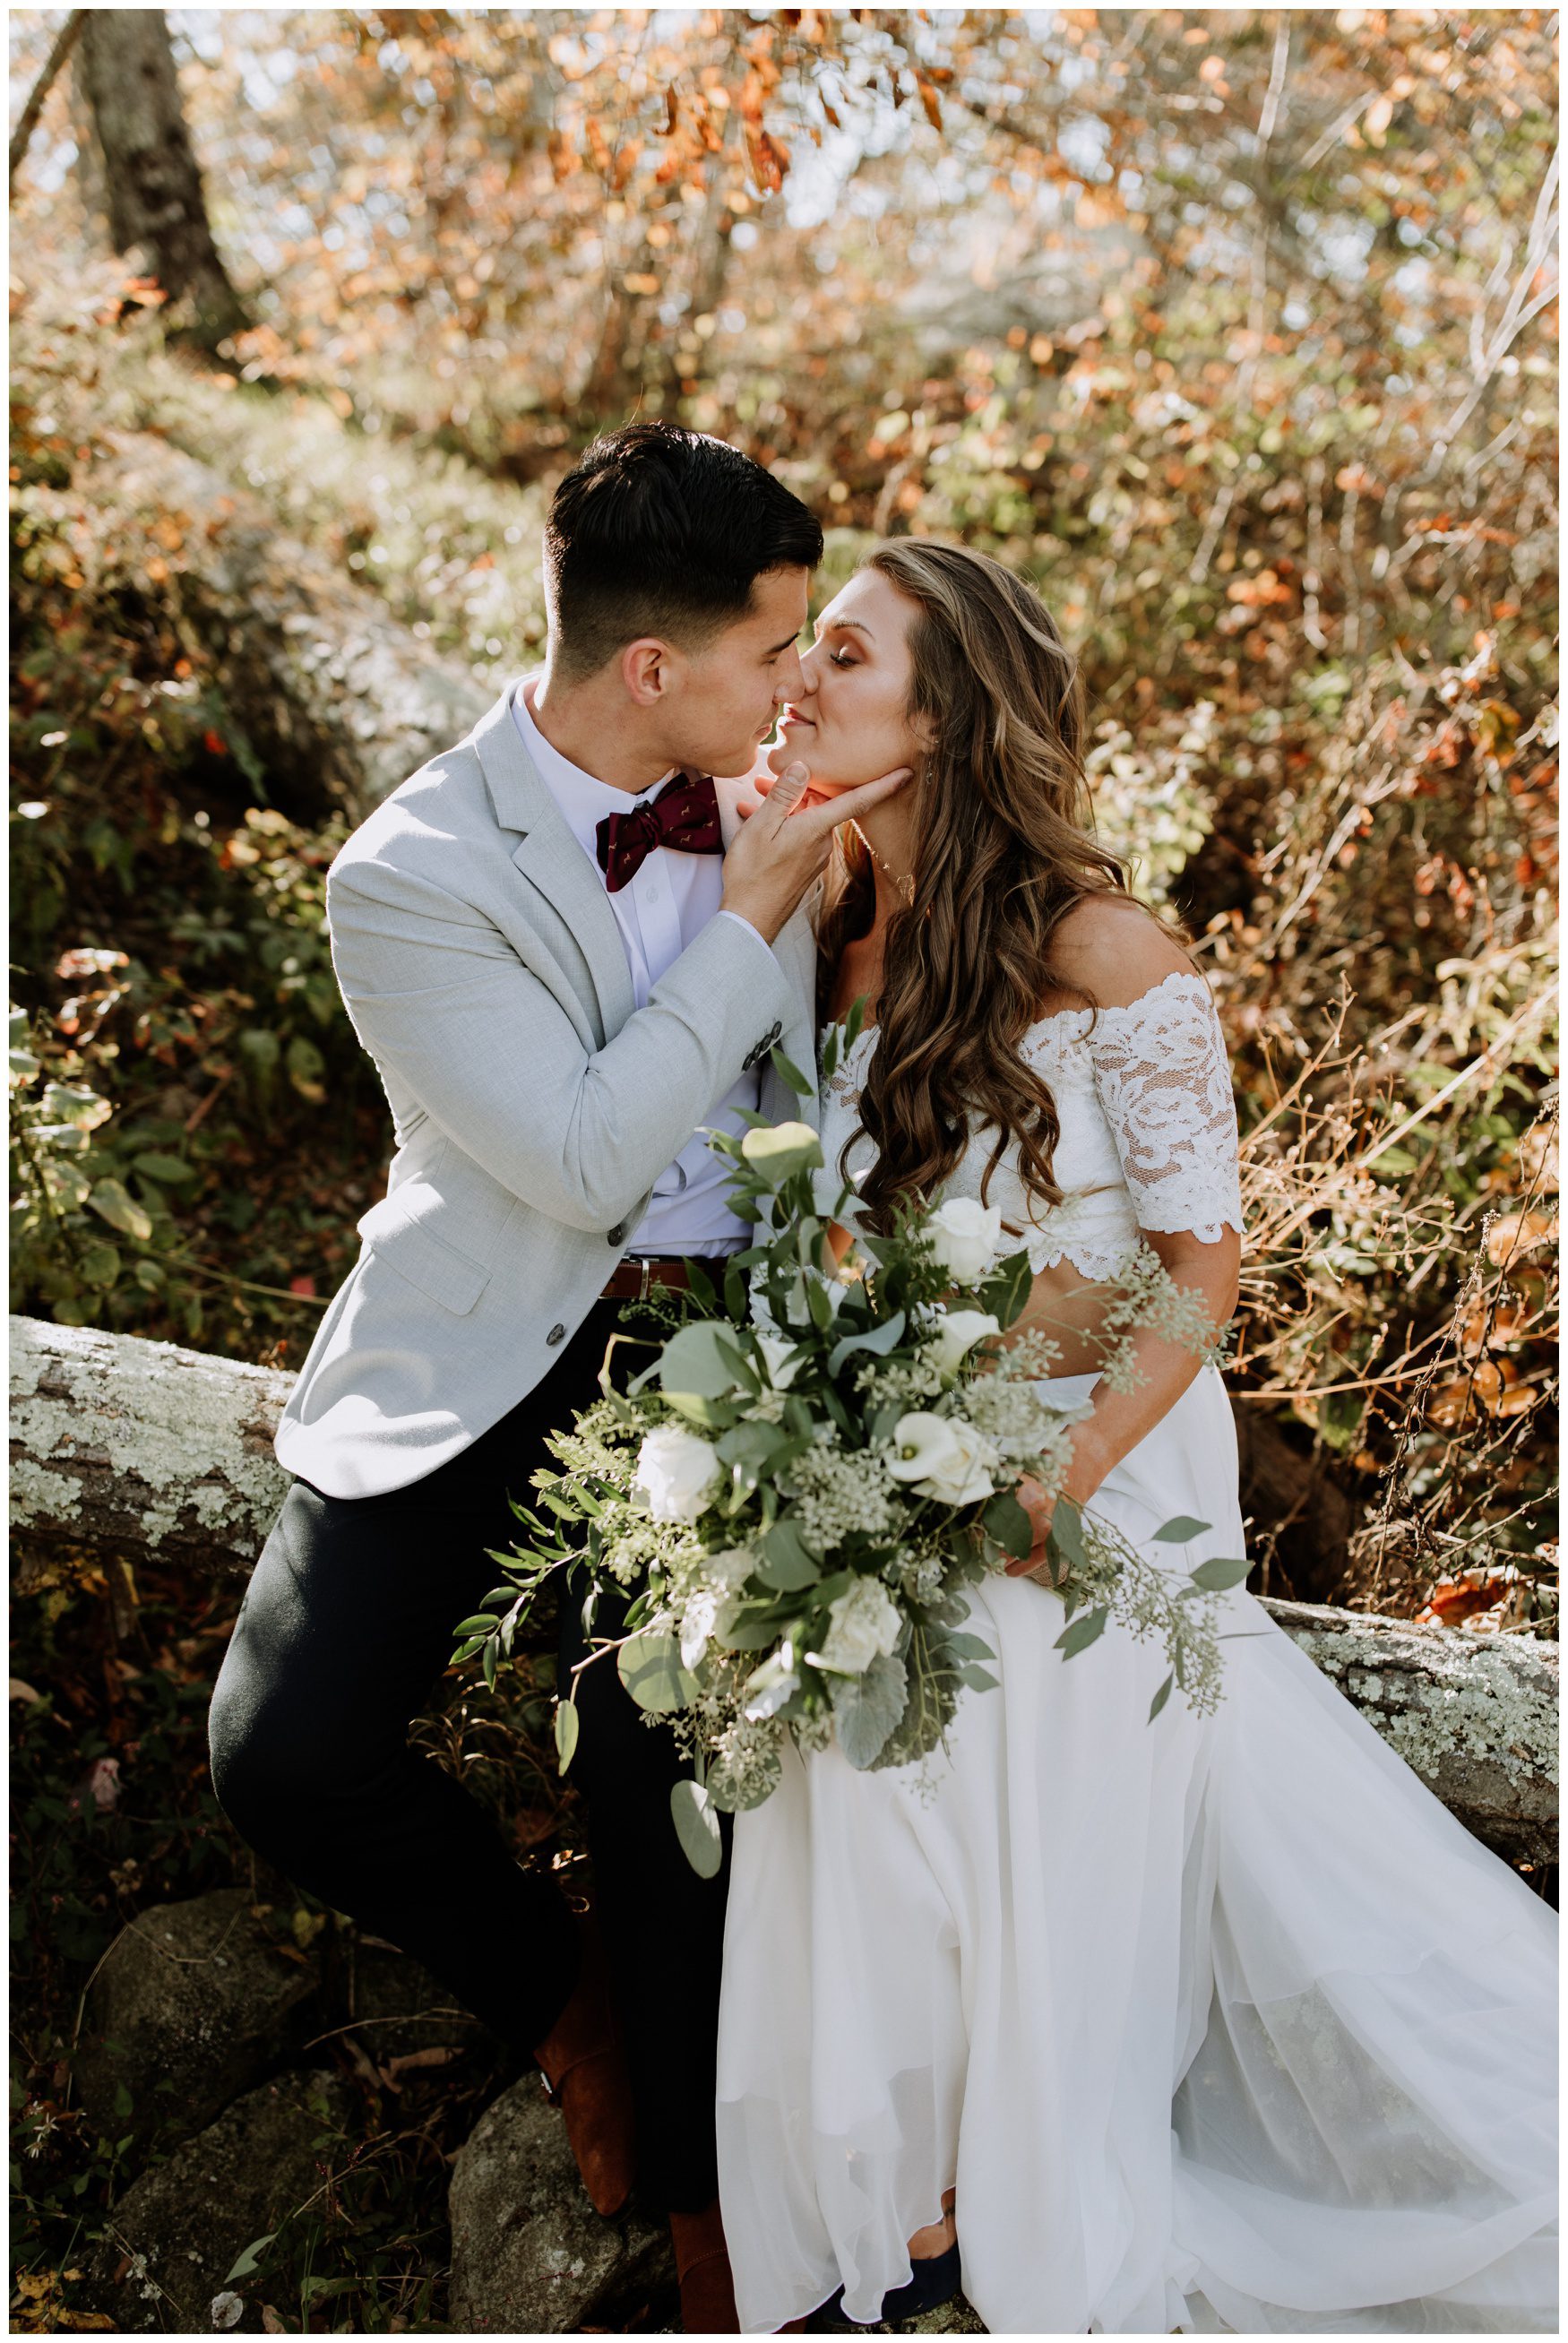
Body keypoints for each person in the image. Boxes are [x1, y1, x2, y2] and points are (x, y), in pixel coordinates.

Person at [714, 540, 1557, 2335]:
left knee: (969, 1687)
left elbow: (1199, 1261)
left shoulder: (1108, 952)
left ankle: (960, 2213)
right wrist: (807, 1397)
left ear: (943, 714)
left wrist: (1057, 1470)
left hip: (1083, 1478)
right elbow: (785, 1185)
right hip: (881, 1453)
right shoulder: (803, 929)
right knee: (837, 1708)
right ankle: (897, 2213)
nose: (798, 680)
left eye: (842, 656)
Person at [205, 421, 910, 2331]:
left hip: (710, 1353)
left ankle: (708, 2216)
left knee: (654, 1742)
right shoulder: (410, 874)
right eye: (774, 653)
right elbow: (587, 1160)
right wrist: (755, 906)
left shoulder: (772, 800)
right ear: (650, 669)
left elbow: (824, 1104)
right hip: (482, 1337)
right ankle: (558, 2006)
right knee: (281, 1752)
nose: (796, 689)